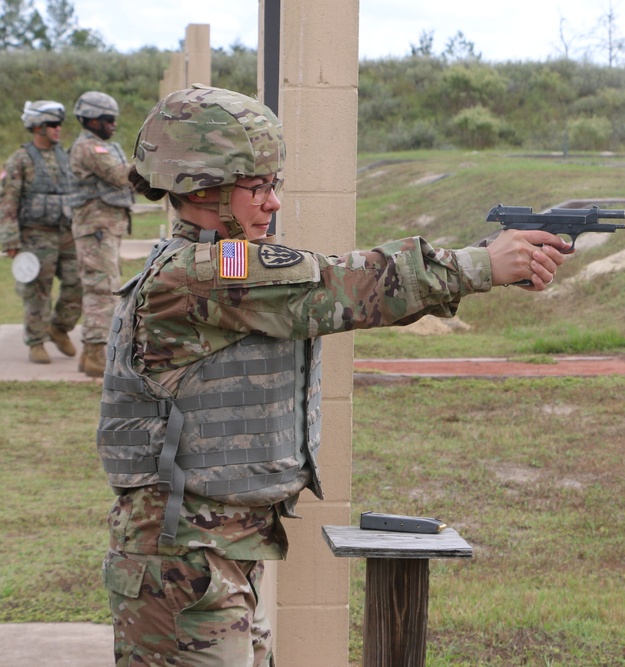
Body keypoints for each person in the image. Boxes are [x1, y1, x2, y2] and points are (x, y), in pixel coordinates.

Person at [96, 84, 568, 667]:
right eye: (258, 186)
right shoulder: (205, 271)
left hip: (209, 551)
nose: (272, 202)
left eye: (275, 185)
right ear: (203, 186)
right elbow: (334, 286)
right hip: (183, 560)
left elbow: (329, 289)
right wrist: (477, 266)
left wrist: (481, 263)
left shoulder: (219, 262)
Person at [0, 100, 82, 364]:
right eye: (52, 125)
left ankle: (59, 328)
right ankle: (35, 342)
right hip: (36, 235)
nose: (58, 129)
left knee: (79, 281)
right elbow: (8, 201)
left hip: (66, 232)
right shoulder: (20, 159)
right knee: (38, 291)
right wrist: (11, 239)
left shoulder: (66, 156)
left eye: (59, 125)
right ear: (37, 127)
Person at [69, 90, 136, 378]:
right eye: (108, 119)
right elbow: (119, 176)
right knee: (101, 289)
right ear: (92, 120)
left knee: (104, 284)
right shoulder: (89, 148)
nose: (113, 125)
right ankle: (97, 353)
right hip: (96, 229)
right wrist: (152, 166)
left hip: (102, 229)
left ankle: (90, 354)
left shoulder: (96, 145)